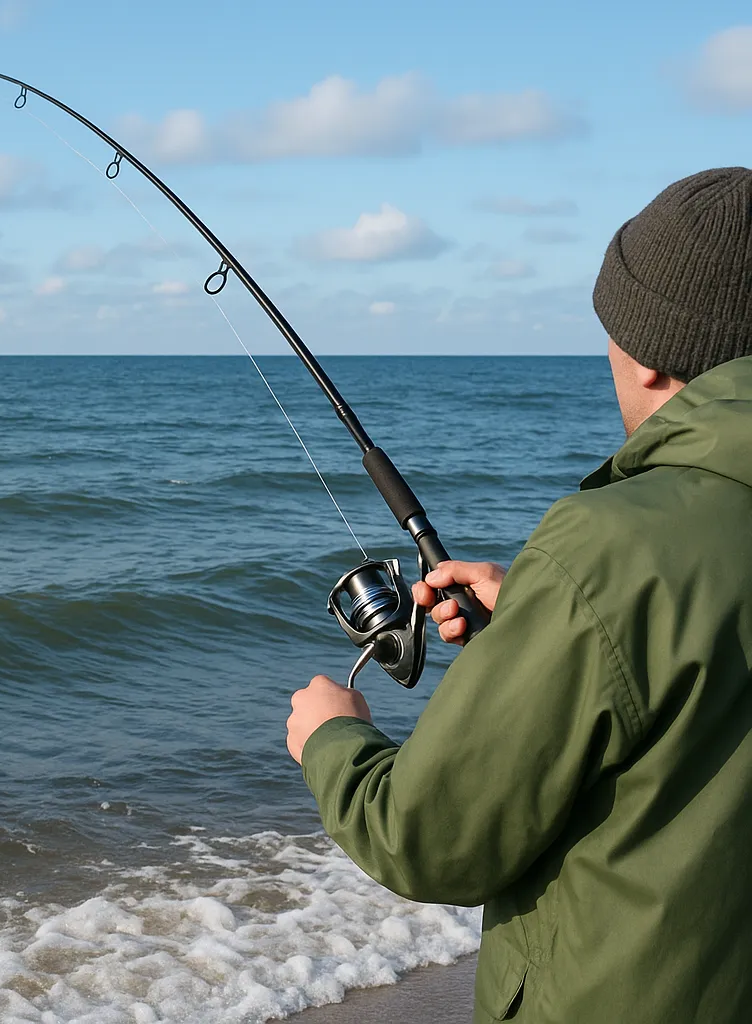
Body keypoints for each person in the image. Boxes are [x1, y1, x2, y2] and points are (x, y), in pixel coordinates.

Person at [286, 167, 752, 1023]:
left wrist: (335, 740)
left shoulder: (611, 546)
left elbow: (429, 837)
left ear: (649, 354)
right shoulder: (608, 568)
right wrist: (551, 609)